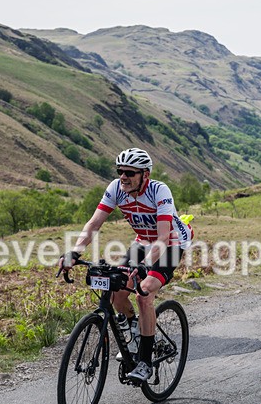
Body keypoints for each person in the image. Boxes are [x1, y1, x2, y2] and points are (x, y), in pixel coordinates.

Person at [59, 148, 194, 383]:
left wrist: (145, 265)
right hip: (143, 241)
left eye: (130, 172)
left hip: (171, 242)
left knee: (144, 293)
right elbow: (94, 224)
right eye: (120, 171)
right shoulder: (116, 188)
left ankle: (144, 362)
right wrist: (75, 251)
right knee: (118, 294)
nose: (123, 176)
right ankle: (135, 331)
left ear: (145, 175)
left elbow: (163, 238)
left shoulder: (159, 190)